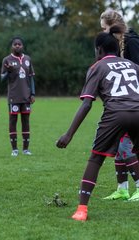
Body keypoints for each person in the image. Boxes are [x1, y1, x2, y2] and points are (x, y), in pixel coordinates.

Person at [56, 27, 139, 221]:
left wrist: (69, 134)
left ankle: (82, 210)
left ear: (99, 50)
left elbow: (87, 104)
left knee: (96, 159)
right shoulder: (133, 65)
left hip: (116, 114)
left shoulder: (98, 67)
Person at [100, 9, 139, 201]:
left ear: (112, 26)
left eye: (104, 28)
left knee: (124, 144)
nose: (103, 32)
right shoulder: (116, 46)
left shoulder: (131, 42)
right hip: (121, 104)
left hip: (132, 105)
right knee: (119, 144)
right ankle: (122, 188)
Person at [1, 36, 35, 157]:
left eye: (19, 44)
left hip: (26, 97)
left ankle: (26, 149)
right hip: (13, 97)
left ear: (22, 46)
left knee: (26, 122)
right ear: (12, 46)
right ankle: (14, 149)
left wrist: (33, 93)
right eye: (15, 44)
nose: (17, 46)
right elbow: (2, 78)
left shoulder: (27, 59)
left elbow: (31, 77)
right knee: (13, 122)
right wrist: (8, 71)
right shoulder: (7, 60)